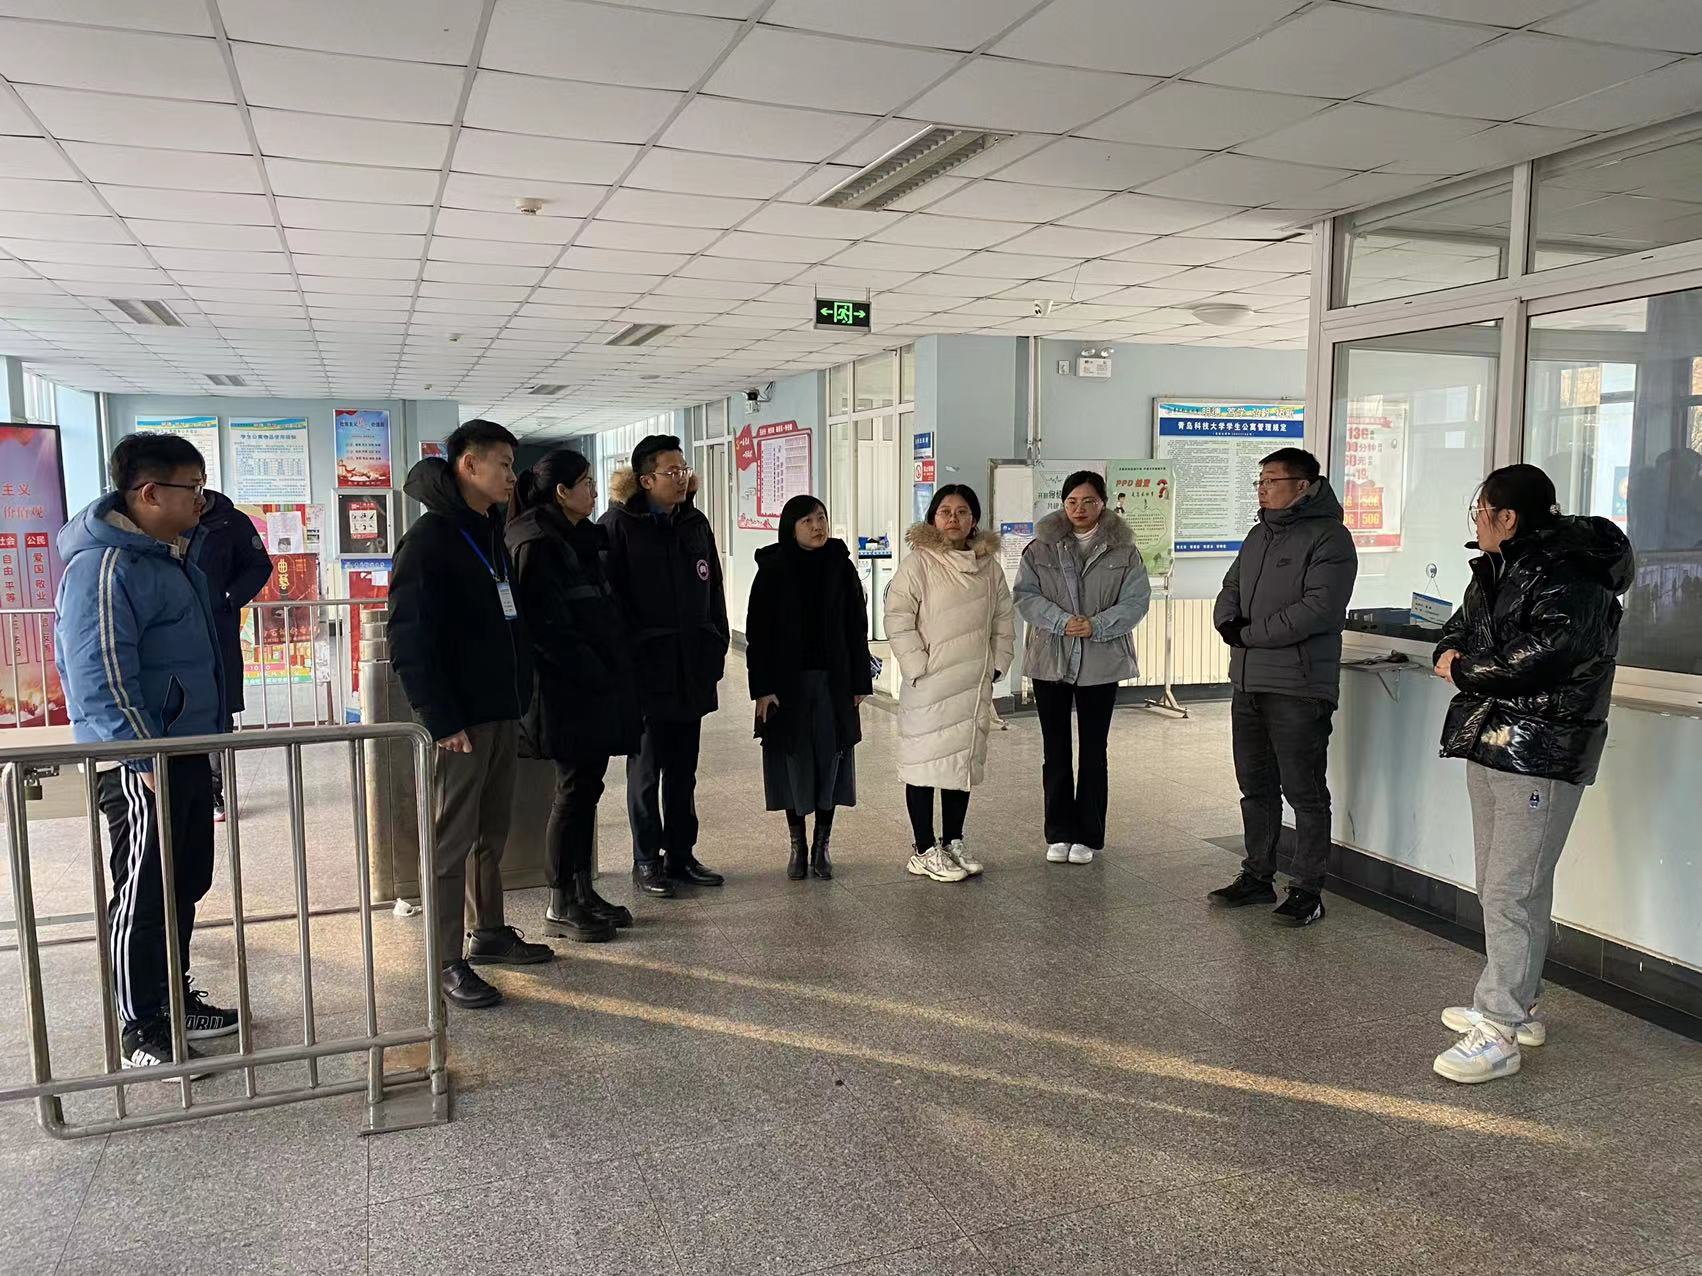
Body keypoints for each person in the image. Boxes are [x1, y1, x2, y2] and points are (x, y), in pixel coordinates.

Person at [1430, 465, 1634, 1085]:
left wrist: (1464, 669)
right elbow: (1459, 631)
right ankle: (1519, 1003)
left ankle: (1499, 1030)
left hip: (1541, 750)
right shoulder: (1497, 568)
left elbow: (1544, 656)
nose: (1476, 520)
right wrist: (1454, 653)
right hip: (1491, 738)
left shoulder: (1571, 575)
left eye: (1480, 510)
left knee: (1510, 889)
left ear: (1507, 517)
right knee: (1503, 884)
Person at [55, 433, 239, 1073]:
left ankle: (171, 997)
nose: (202, 501)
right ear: (150, 493)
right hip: (142, 759)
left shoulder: (168, 559)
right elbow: (100, 675)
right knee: (143, 890)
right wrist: (142, 758)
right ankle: (140, 1024)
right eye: (193, 488)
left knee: (184, 880)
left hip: (181, 750)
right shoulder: (105, 568)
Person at [389, 419, 552, 1011]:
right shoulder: (430, 540)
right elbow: (409, 639)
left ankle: (489, 932)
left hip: (499, 709)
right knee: (451, 840)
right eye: (504, 464)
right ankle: (444, 960)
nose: (512, 475)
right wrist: (439, 718)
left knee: (491, 831)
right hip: (460, 720)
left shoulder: (488, 530)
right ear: (468, 465)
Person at [1209, 447, 1358, 927]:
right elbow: (1230, 588)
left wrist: (1249, 634)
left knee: (1304, 792)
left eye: (1271, 481)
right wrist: (1227, 621)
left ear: (1303, 486)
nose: (1262, 489)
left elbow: (1319, 609)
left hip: (1298, 686)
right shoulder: (1259, 535)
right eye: (1260, 481)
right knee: (1254, 787)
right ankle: (1257, 875)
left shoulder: (1330, 537)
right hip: (1248, 681)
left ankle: (1308, 890)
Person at [506, 448, 642, 942]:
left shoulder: (580, 537)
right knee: (572, 791)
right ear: (562, 492)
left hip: (596, 686)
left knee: (587, 789)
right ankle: (560, 900)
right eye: (586, 482)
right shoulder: (536, 544)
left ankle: (583, 891)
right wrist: (595, 671)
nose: (594, 490)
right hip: (566, 691)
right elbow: (547, 631)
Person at [603, 435, 729, 898]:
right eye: (671, 472)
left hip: (691, 664)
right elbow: (610, 602)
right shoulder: (619, 527)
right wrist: (625, 662)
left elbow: (714, 589)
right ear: (645, 480)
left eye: (683, 470)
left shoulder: (694, 522)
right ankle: (646, 859)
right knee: (646, 771)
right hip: (645, 670)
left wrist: (716, 644)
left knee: (683, 770)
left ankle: (681, 854)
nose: (681, 478)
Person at [1013, 471, 1151, 865]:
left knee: (1094, 751)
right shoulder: (1040, 547)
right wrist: (1062, 621)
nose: (1079, 509)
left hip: (1101, 660)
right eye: (1072, 501)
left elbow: (1136, 600)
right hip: (1051, 659)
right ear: (1063, 503)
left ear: (1103, 503)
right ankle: (1058, 832)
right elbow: (1025, 596)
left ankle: (1088, 835)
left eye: (1089, 501)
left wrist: (1097, 625)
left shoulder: (1124, 550)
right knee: (1055, 749)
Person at [884, 484, 1014, 883]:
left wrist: (997, 665)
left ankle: (953, 840)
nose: (953, 518)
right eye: (945, 511)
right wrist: (917, 665)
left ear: (974, 520)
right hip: (931, 683)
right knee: (923, 763)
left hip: (972, 683)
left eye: (962, 512)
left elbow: (1003, 619)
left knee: (962, 762)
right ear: (933, 518)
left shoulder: (989, 567)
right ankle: (923, 849)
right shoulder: (918, 563)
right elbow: (897, 616)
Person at [746, 494, 873, 881]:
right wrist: (762, 688)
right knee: (794, 762)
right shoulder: (772, 569)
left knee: (830, 761)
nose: (818, 526)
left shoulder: (840, 565)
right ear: (791, 527)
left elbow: (857, 626)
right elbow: (757, 634)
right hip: (787, 686)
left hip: (833, 682)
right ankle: (797, 844)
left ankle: (822, 845)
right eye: (808, 521)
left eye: (821, 518)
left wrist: (859, 682)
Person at [186, 487, 273, 822]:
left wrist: (229, 597)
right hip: (171, 634)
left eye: (194, 482)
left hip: (217, 633)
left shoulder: (230, 521)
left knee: (218, 713)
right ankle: (179, 788)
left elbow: (259, 565)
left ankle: (213, 789)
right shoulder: (159, 522)